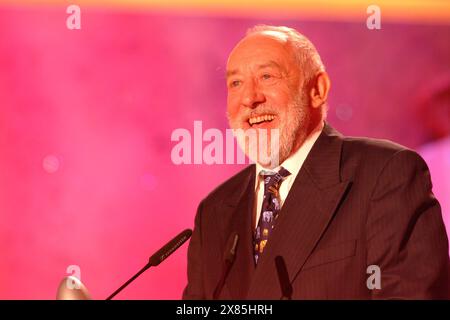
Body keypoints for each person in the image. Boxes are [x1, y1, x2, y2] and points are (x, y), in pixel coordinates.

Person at [183, 25, 449, 299]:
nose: (250, 98)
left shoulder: (385, 174)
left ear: (317, 90)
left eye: (267, 76)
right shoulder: (214, 210)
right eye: (235, 83)